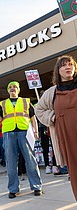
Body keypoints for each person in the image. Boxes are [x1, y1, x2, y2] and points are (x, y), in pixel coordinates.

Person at [0, 81, 42, 199]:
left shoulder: (26, 102)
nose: (12, 89)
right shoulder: (2, 104)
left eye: (15, 87)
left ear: (18, 90)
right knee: (11, 162)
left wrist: (35, 131)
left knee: (30, 159)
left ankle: (36, 186)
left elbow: (33, 118)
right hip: (8, 133)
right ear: (8, 90)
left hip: (24, 132)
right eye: (10, 87)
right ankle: (13, 189)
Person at [35, 54, 77, 200]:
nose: (68, 67)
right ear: (58, 70)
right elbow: (39, 110)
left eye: (70, 64)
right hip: (67, 137)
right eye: (64, 65)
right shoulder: (51, 92)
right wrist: (53, 117)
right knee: (75, 172)